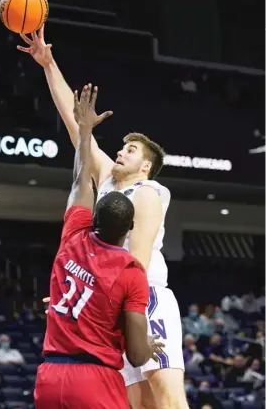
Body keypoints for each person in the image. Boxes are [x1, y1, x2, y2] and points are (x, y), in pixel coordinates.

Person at [19, 27, 186, 409]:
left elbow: (137, 264)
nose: (122, 151)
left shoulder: (149, 193)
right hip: (112, 298)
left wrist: (107, 302)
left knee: (167, 399)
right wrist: (47, 63)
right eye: (123, 146)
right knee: (134, 400)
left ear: (147, 164)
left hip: (144, 299)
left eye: (131, 149)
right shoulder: (109, 179)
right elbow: (78, 124)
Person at [34, 84, 164, 409]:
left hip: (50, 375)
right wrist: (147, 344)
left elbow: (80, 180)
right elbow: (136, 353)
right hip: (94, 378)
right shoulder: (130, 272)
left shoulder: (73, 236)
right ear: (130, 228)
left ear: (93, 218)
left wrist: (84, 131)